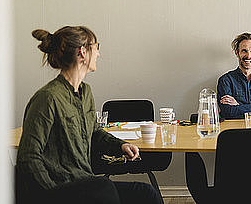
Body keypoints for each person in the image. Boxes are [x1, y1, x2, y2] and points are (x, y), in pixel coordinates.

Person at [16, 26, 163, 204]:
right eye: (97, 46)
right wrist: (51, 194)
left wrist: (121, 146)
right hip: (60, 189)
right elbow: (28, 156)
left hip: (84, 181)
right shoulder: (47, 98)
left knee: (146, 193)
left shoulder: (85, 92)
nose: (99, 54)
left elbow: (94, 133)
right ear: (83, 52)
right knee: (104, 188)